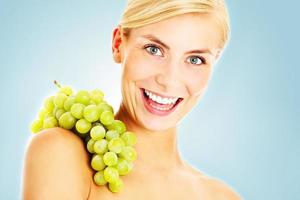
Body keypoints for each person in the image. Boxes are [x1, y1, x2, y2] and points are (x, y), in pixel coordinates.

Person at [22, 0, 241, 199]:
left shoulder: (222, 196)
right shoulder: (61, 155)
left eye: (195, 59)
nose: (169, 80)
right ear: (118, 44)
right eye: (154, 49)